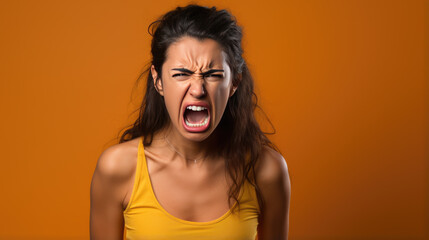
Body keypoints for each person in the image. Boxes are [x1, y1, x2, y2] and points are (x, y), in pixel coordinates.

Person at [90, 4, 291, 240]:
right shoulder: (117, 168)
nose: (197, 89)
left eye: (213, 75)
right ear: (158, 81)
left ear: (234, 83)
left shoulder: (266, 170)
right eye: (181, 74)